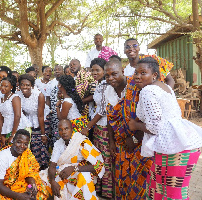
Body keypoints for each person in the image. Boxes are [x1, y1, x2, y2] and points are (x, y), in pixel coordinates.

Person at [128, 57, 202, 200]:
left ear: (154, 75)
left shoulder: (148, 91)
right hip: (181, 145)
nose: (138, 76)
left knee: (172, 195)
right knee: (158, 191)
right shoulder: (164, 87)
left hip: (175, 149)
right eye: (136, 73)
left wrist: (135, 125)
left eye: (143, 72)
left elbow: (155, 127)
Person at [104, 58, 173, 199]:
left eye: (114, 74)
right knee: (122, 179)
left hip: (142, 143)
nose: (111, 78)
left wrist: (135, 138)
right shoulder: (108, 92)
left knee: (142, 182)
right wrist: (112, 141)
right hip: (122, 142)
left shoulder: (137, 85)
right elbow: (110, 118)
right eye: (107, 75)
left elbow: (151, 121)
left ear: (123, 72)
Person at [40, 119, 105, 200]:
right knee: (41, 179)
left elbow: (98, 165)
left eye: (66, 128)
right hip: (63, 172)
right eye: (60, 130)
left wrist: (74, 168)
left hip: (80, 171)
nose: (63, 132)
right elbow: (52, 166)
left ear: (72, 129)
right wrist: (53, 182)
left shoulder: (81, 141)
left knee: (84, 176)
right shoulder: (58, 144)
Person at [0, 129, 49, 200]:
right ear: (13, 141)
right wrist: (19, 196)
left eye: (25, 144)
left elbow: (30, 172)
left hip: (17, 183)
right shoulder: (1, 158)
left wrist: (32, 184)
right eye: (19, 142)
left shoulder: (27, 153)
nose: (22, 146)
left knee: (39, 191)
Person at [81, 58, 113, 198]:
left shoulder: (107, 85)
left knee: (105, 159)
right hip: (98, 126)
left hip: (106, 127)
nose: (94, 72)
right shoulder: (99, 84)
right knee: (99, 157)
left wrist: (88, 126)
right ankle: (99, 187)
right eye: (92, 70)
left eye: (97, 70)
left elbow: (103, 110)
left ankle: (107, 190)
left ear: (104, 70)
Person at [17, 74, 50, 170]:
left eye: (27, 85)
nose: (25, 87)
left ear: (32, 86)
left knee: (38, 145)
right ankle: (29, 168)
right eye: (22, 85)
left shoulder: (39, 95)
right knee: (29, 145)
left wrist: (43, 134)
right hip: (28, 120)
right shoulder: (18, 95)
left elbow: (40, 115)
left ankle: (40, 169)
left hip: (41, 121)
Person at [0, 76, 31, 145]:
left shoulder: (15, 98)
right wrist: (2, 135)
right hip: (8, 129)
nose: (3, 88)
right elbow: (1, 119)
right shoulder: (1, 99)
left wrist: (13, 135)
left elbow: (18, 116)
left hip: (20, 129)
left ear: (11, 87)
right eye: (1, 85)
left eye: (6, 86)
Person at [49, 64, 64, 146]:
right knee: (55, 132)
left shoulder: (65, 81)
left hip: (64, 112)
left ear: (63, 71)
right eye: (55, 70)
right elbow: (49, 97)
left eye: (59, 69)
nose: (57, 71)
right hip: (54, 113)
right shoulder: (52, 82)